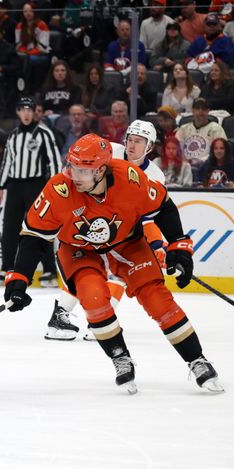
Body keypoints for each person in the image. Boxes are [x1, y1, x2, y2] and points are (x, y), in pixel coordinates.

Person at [4, 133, 223, 394]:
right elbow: (33, 237)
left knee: (157, 298)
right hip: (78, 250)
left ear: (101, 169)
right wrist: (19, 278)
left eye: (82, 169)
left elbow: (162, 206)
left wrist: (179, 245)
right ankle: (120, 357)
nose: (74, 175)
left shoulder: (129, 178)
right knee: (93, 296)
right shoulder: (58, 189)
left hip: (127, 243)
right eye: (72, 166)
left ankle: (196, 359)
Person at [45, 120, 166, 341]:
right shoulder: (111, 152)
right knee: (86, 270)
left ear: (149, 146)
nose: (132, 145)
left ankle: (100, 322)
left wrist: (157, 244)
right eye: (130, 139)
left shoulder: (155, 176)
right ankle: (65, 318)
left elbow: (147, 217)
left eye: (138, 141)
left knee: (120, 271)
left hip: (121, 228)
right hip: (90, 221)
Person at [0, 97, 63, 288]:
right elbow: (7, 162)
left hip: (36, 184)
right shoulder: (13, 135)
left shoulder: (44, 133)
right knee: (9, 228)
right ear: (17, 112)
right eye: (22, 110)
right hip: (15, 186)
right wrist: (1, 186)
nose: (26, 113)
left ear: (34, 112)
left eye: (29, 110)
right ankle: (7, 267)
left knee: (40, 227)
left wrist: (56, 187)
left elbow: (54, 160)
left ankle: (49, 270)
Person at [175, 98, 227, 172]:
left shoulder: (216, 129)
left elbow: (222, 151)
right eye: (197, 108)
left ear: (208, 111)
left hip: (208, 167)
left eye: (203, 109)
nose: (200, 112)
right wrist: (184, 160)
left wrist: (202, 161)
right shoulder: (184, 128)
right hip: (184, 166)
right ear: (193, 111)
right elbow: (175, 147)